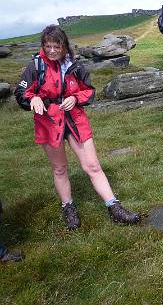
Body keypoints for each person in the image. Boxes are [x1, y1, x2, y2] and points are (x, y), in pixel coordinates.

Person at [15, 25, 140, 230]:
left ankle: (114, 208)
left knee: (92, 165)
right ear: (43, 46)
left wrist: (75, 97)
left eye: (57, 46)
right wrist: (33, 97)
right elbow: (20, 94)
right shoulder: (35, 66)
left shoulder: (75, 65)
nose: (52, 50)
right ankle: (68, 207)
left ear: (64, 46)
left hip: (75, 119)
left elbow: (89, 91)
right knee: (60, 167)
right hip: (48, 121)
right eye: (48, 46)